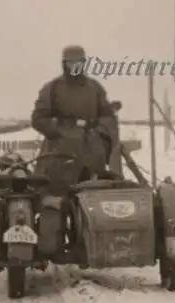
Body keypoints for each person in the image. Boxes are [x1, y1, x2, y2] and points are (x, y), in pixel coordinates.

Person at [30, 45, 118, 195]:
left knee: (93, 194)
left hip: (91, 150)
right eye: (71, 62)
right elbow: (38, 118)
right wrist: (58, 132)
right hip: (59, 152)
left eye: (79, 62)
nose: (75, 66)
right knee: (56, 197)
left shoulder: (95, 88)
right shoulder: (52, 88)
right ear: (64, 64)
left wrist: (100, 135)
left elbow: (107, 115)